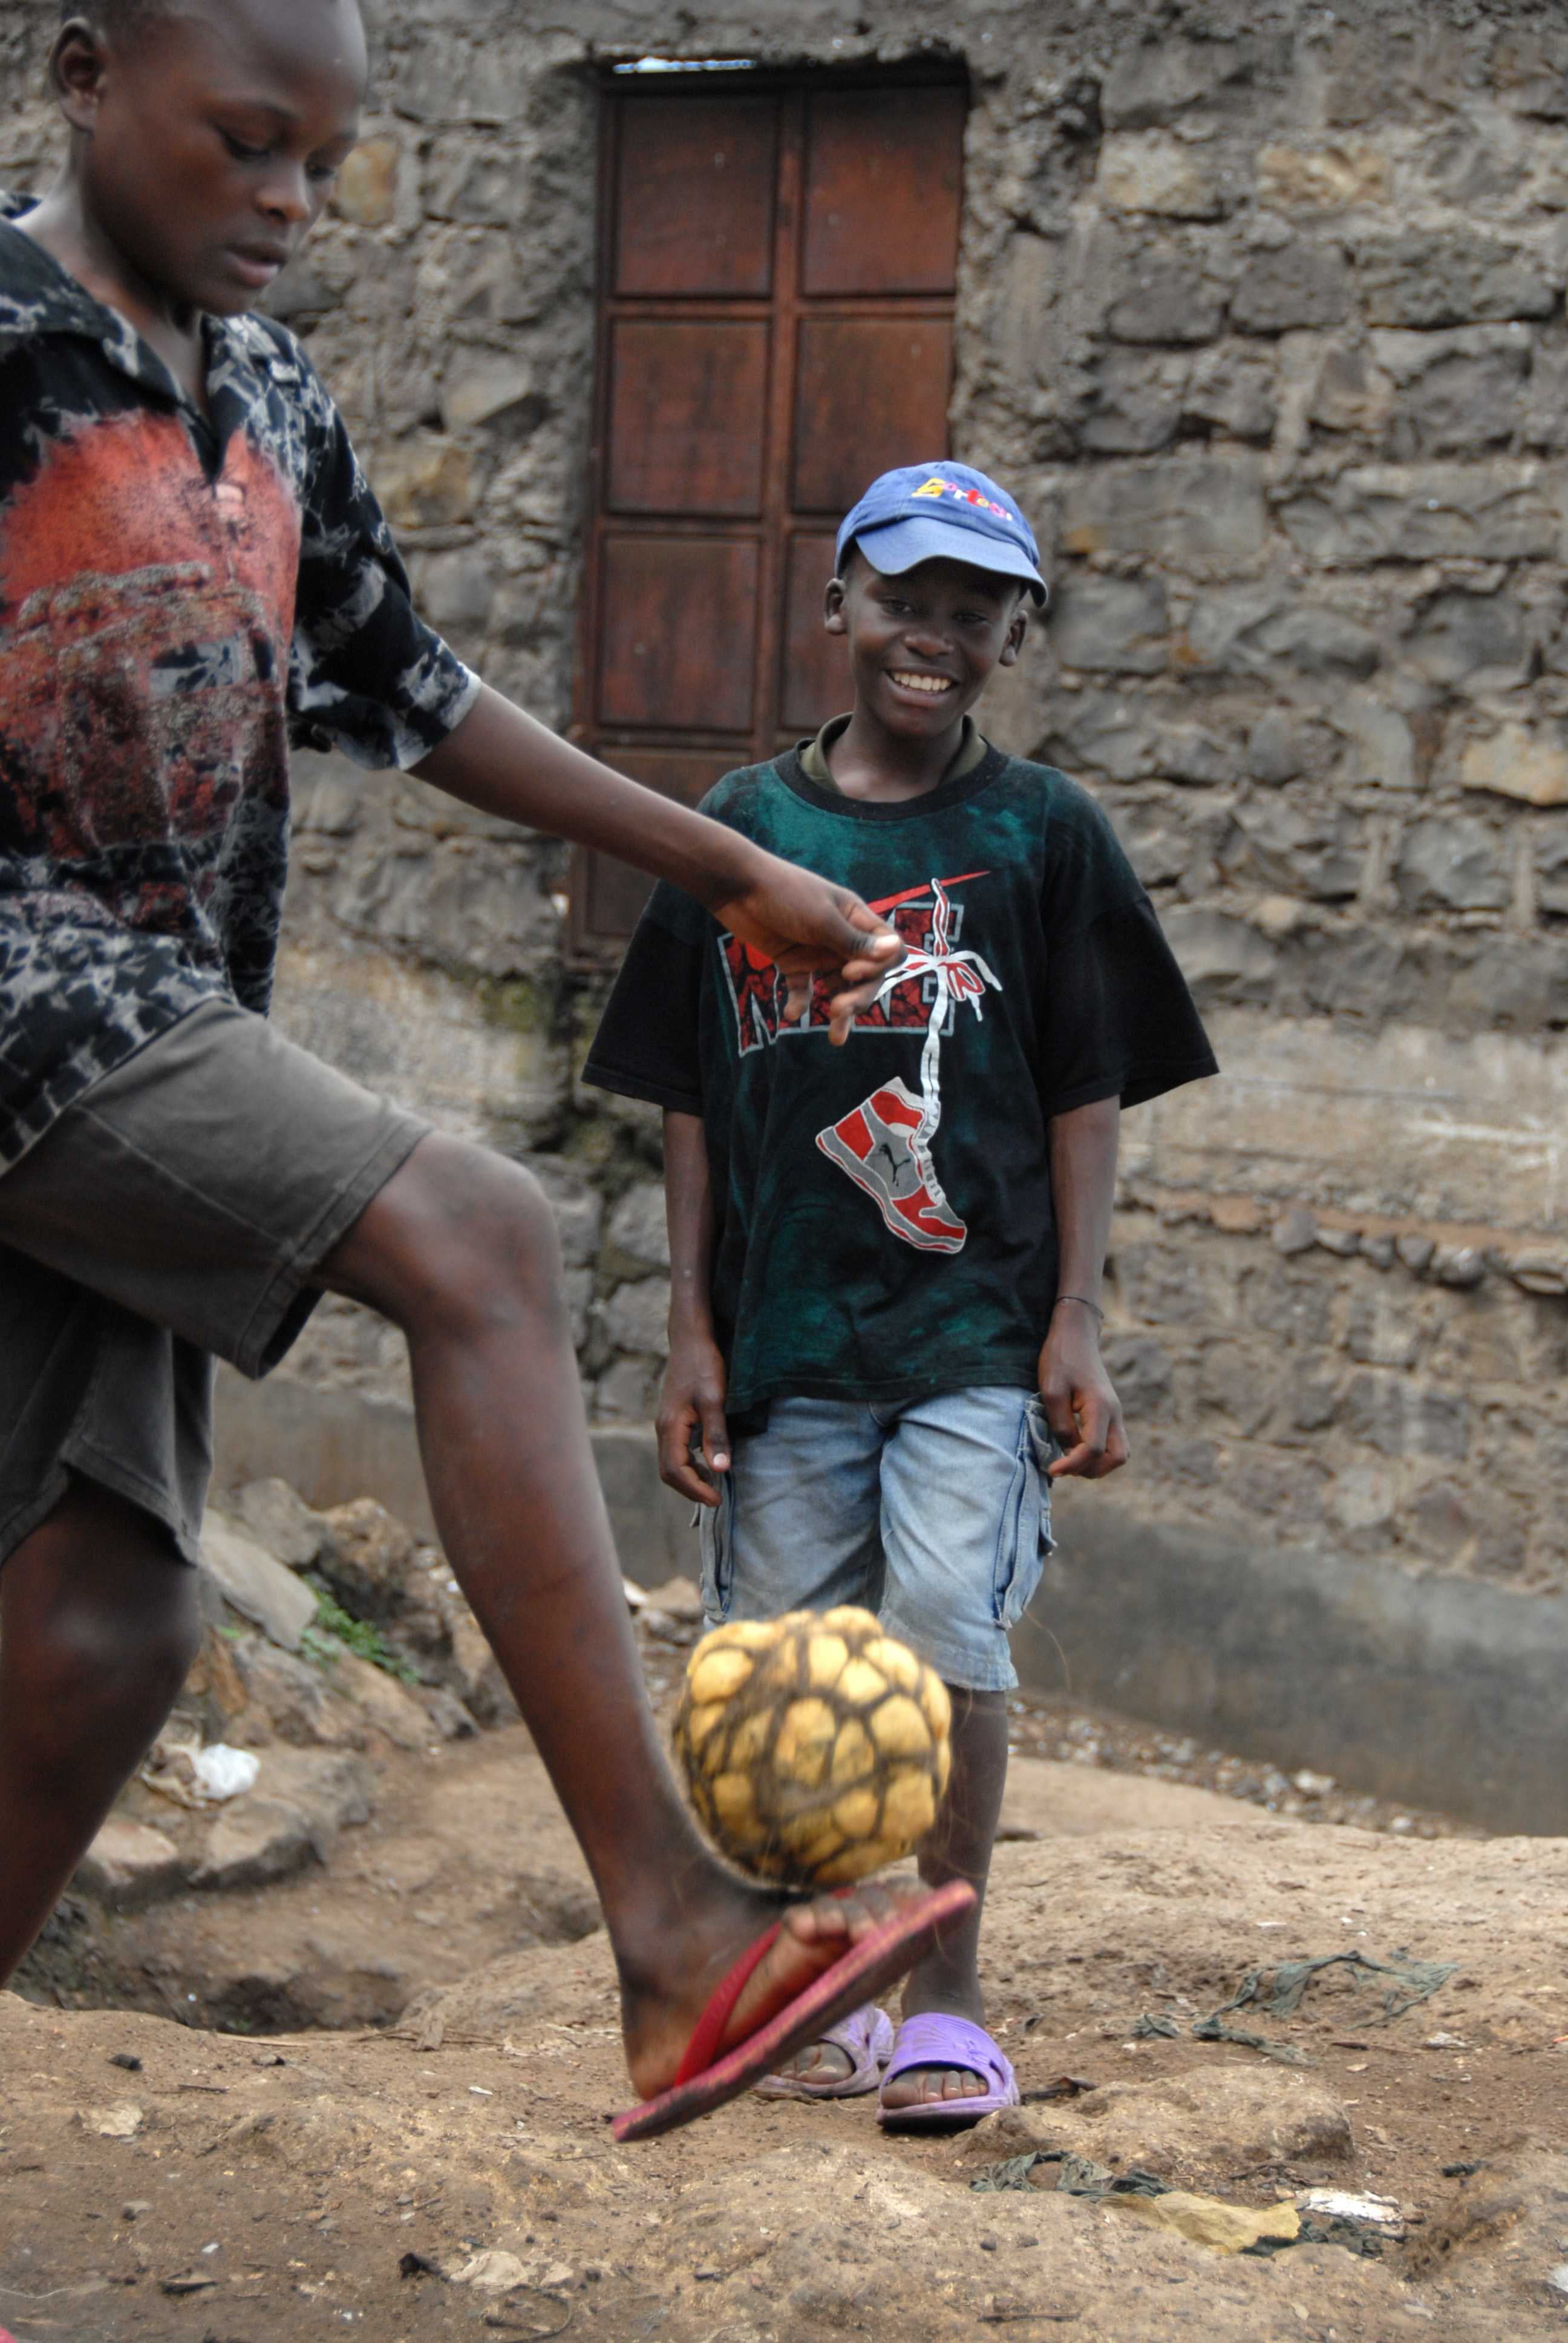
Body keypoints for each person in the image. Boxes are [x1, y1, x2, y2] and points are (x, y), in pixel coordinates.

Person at [0, 0, 967, 2139]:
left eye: (324, 168)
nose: (287, 205)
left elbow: (414, 694)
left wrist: (727, 869)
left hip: (146, 1035)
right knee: (483, 1230)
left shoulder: (260, 395)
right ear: (83, 76)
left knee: (103, 1632)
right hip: (27, 1009)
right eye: (246, 144)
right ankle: (678, 1936)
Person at [584, 459, 1218, 2126]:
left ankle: (951, 1994)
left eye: (973, 611)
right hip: (788, 1343)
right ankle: (833, 1968)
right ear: (838, 602)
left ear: (1017, 630)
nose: (931, 638)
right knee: (783, 1665)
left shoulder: (1043, 835)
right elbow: (691, 1099)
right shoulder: (743, 833)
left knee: (943, 1633)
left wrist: (1077, 1314)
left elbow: (1089, 1084)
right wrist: (691, 1334)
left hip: (973, 1334)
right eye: (903, 601)